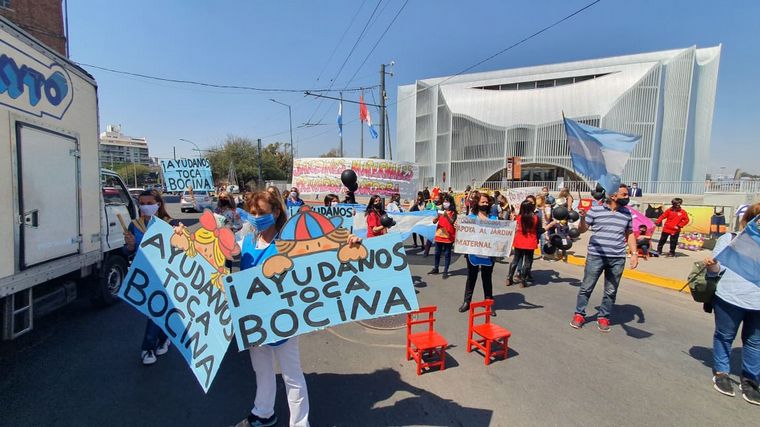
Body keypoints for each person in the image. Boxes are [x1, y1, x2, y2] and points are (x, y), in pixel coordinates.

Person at [704, 203, 760, 405]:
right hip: (730, 297)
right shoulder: (731, 239)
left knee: (755, 342)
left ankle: (750, 380)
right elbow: (715, 271)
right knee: (725, 336)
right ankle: (721, 373)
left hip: (758, 304)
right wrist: (712, 266)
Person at [570, 184, 638, 332]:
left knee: (611, 291)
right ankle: (579, 314)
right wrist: (582, 218)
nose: (627, 197)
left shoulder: (627, 213)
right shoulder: (595, 210)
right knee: (587, 287)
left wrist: (634, 254)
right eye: (624, 195)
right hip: (596, 256)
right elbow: (582, 229)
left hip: (617, 258)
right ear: (613, 196)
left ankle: (603, 317)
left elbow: (630, 233)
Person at [123, 190, 176, 365]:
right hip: (143, 274)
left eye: (149, 202)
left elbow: (180, 251)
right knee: (153, 311)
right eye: (142, 203)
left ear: (158, 204)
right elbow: (128, 251)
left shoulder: (170, 224)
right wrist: (129, 246)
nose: (145, 206)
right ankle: (163, 338)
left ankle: (147, 348)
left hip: (164, 274)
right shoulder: (134, 225)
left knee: (155, 311)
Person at [460, 193, 497, 314]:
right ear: (477, 203)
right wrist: (458, 226)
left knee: (487, 278)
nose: (485, 204)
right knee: (471, 277)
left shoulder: (493, 218)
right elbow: (464, 232)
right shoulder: (471, 217)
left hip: (488, 253)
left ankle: (488, 304)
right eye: (483, 202)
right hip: (473, 253)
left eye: (487, 202)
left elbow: (499, 233)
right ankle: (467, 301)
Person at [507, 200, 539, 287]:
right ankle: (523, 280)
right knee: (527, 262)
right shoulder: (535, 218)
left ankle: (509, 278)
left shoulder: (519, 217)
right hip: (530, 241)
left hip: (519, 240)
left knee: (515, 260)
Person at [429, 194, 457, 278]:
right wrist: (435, 219)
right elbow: (434, 221)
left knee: (447, 253)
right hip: (439, 235)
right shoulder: (440, 211)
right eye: (444, 201)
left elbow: (452, 222)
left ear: (451, 203)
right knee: (437, 253)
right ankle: (436, 268)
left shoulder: (453, 212)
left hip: (449, 236)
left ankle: (445, 270)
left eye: (447, 201)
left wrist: (447, 216)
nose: (445, 203)